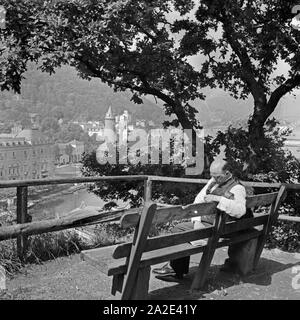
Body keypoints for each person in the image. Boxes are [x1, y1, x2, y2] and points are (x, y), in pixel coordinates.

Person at [152, 158, 253, 279]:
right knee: (179, 229)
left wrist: (218, 199)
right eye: (212, 176)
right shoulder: (213, 182)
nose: (214, 179)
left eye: (217, 177)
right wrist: (196, 222)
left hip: (224, 228)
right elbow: (198, 202)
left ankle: (175, 270)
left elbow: (240, 211)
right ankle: (176, 269)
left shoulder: (237, 188)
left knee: (178, 230)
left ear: (227, 173)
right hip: (212, 224)